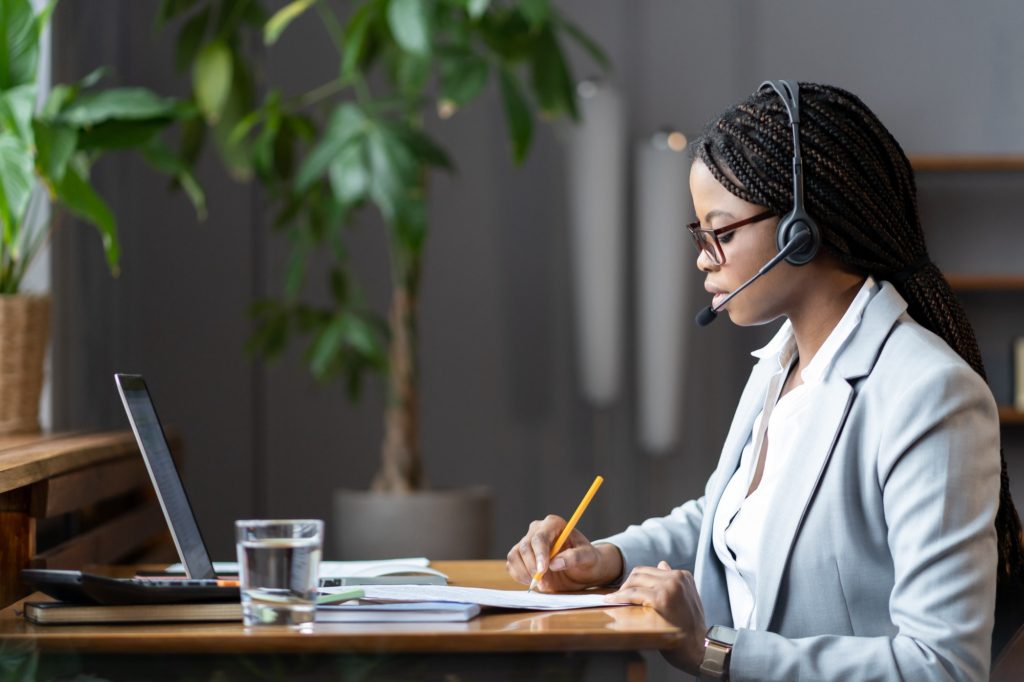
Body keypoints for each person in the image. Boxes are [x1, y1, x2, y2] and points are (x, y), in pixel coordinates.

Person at [507, 81, 1024, 681]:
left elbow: (942, 668)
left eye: (720, 233)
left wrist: (712, 650)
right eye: (699, 234)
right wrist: (608, 558)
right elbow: (732, 520)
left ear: (799, 232)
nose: (703, 257)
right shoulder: (783, 365)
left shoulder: (929, 396)